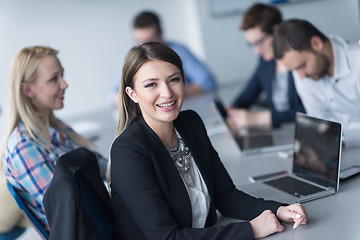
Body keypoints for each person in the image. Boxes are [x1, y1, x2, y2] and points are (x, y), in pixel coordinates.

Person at [109, 42, 307, 239]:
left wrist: (279, 210)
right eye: (151, 84)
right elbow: (167, 237)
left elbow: (225, 196)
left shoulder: (190, 123)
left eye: (173, 80)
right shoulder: (128, 150)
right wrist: (251, 230)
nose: (167, 93)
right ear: (132, 94)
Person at [1, 46, 108, 231]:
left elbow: (102, 166)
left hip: (101, 222)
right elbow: (69, 210)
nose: (64, 84)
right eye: (53, 79)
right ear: (27, 90)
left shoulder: (56, 128)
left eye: (62, 75)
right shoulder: (23, 148)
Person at [273, 19, 360, 148]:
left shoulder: (357, 63)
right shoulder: (302, 73)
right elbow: (321, 124)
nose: (300, 76)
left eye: (301, 66)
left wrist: (339, 139)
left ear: (316, 44)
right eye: (295, 70)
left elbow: (329, 135)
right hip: (341, 153)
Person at [110, 11, 216, 111]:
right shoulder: (129, 56)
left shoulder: (179, 50)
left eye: (173, 80)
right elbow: (114, 97)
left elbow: (207, 82)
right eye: (139, 40)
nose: (144, 45)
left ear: (161, 34)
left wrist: (171, 95)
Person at [227, 3, 305, 131]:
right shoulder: (266, 62)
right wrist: (232, 110)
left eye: (259, 42)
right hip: (283, 132)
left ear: (276, 31)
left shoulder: (299, 60)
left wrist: (263, 118)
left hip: (301, 132)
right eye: (251, 44)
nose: (256, 50)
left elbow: (311, 110)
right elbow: (248, 94)